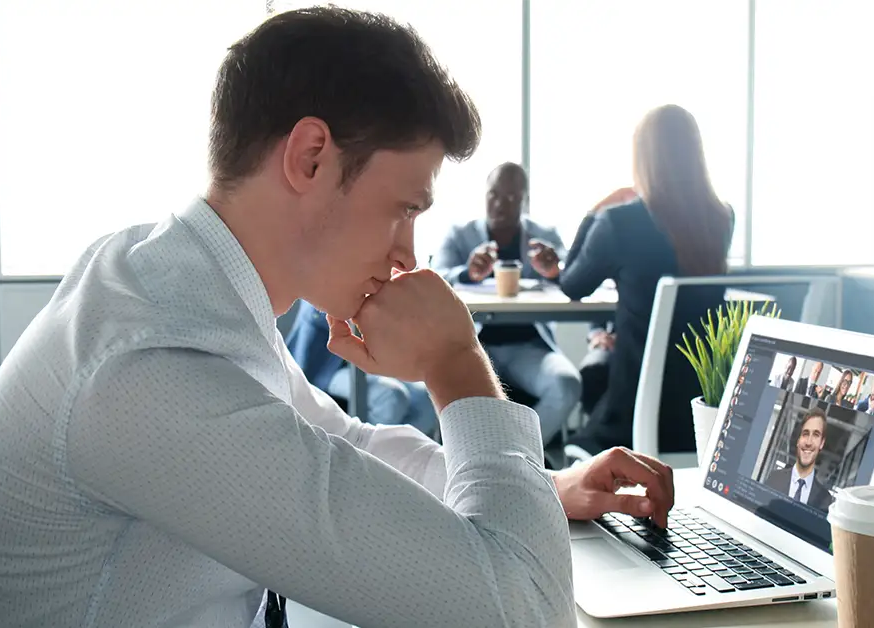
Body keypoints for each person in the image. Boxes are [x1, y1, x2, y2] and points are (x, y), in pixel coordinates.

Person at [0, 9, 676, 628]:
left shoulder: (177, 283)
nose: (406, 257)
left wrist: (544, 490)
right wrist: (455, 359)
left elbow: (340, 442)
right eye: (403, 209)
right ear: (312, 157)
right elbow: (520, 610)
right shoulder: (150, 368)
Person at [558, 104, 735, 455]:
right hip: (703, 415)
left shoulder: (619, 222)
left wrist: (594, 212)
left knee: (577, 440)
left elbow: (573, 285)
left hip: (630, 418)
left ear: (643, 159)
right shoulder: (721, 218)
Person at [433, 162, 581, 446]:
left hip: (530, 347)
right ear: (485, 194)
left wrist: (555, 270)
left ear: (524, 200)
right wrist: (467, 273)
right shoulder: (460, 236)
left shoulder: (544, 236)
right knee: (438, 386)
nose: (501, 204)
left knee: (566, 385)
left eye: (512, 197)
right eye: (494, 195)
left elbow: (575, 277)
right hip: (472, 347)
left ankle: (518, 454)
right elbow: (435, 278)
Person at [286, 299, 437, 435]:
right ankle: (364, 456)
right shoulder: (324, 283)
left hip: (368, 361)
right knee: (390, 397)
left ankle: (394, 459)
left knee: (426, 399)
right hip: (326, 367)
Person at [764, 409, 833, 510]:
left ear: (821, 443)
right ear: (798, 440)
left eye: (816, 435)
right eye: (805, 434)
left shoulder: (825, 499)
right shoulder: (774, 478)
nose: (809, 442)